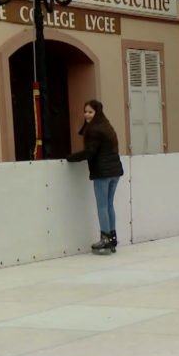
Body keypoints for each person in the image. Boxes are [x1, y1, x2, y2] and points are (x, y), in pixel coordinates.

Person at [67, 100, 124, 254]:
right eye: (85, 111)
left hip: (103, 173)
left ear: (96, 113)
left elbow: (89, 153)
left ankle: (105, 239)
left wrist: (71, 158)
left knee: (102, 206)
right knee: (109, 205)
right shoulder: (107, 126)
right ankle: (112, 238)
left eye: (90, 112)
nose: (86, 114)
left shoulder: (94, 130)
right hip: (115, 172)